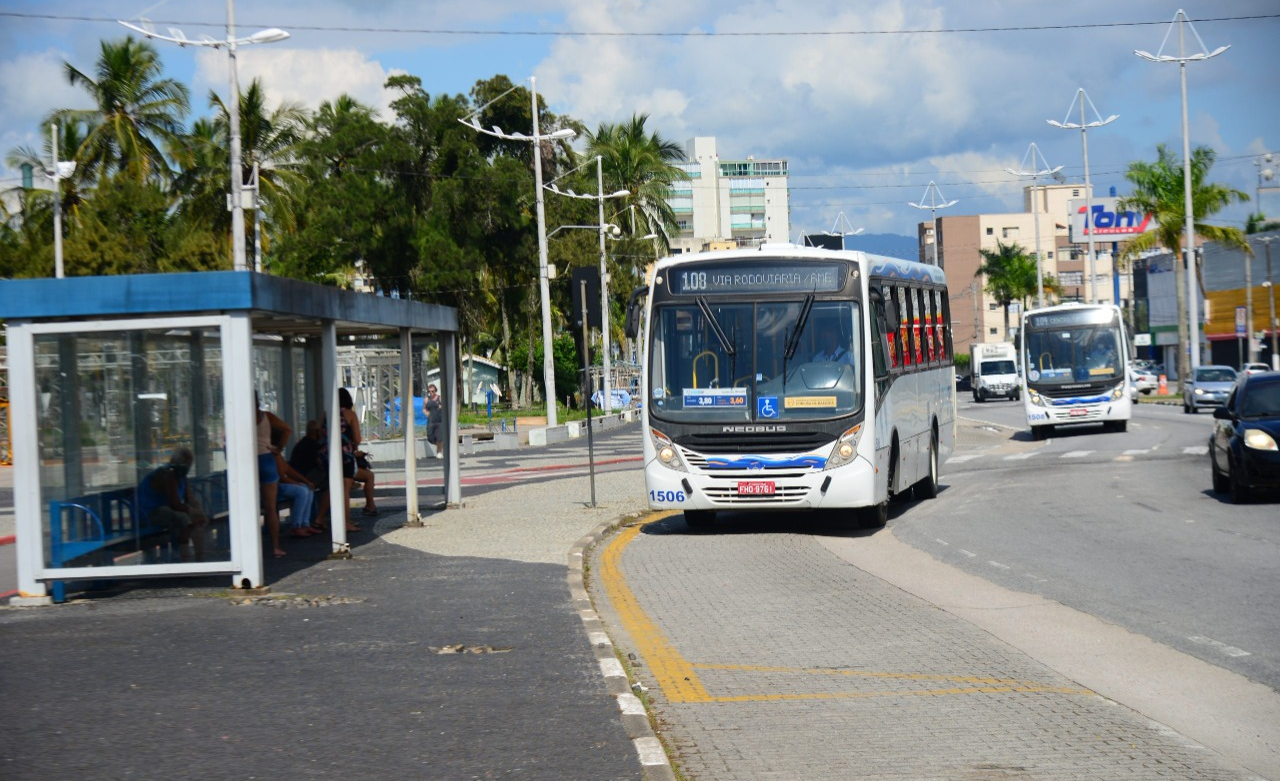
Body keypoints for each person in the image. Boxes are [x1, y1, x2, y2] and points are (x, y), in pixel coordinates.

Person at [135, 446, 207, 562]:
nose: (187, 467)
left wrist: (199, 512)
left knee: (193, 519)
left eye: (189, 464)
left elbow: (191, 499)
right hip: (148, 514)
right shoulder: (167, 474)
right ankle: (184, 560)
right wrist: (192, 511)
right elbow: (175, 504)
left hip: (166, 512)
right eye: (184, 463)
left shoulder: (182, 477)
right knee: (182, 518)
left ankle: (200, 559)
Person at [256, 393, 292, 558]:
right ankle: (276, 546)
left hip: (247, 462)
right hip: (266, 458)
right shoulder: (266, 416)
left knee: (249, 508)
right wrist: (278, 448)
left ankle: (250, 548)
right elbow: (286, 429)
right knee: (271, 507)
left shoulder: (238, 416)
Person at [273, 431, 318, 538]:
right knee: (302, 491)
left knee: (308, 489)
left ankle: (305, 523)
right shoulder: (272, 453)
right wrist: (297, 483)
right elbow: (281, 477)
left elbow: (288, 470)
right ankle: (296, 526)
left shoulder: (277, 453)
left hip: (281, 485)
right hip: (275, 487)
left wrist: (305, 481)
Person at [338, 388, 371, 532]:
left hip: (329, 457)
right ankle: (345, 522)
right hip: (345, 456)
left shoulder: (327, 414)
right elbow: (357, 438)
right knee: (345, 490)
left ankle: (321, 519)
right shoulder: (349, 415)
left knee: (332, 489)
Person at [289, 418, 330, 532]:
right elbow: (320, 464)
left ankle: (311, 521)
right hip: (305, 477)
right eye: (321, 430)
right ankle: (319, 518)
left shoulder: (302, 443)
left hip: (300, 475)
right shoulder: (314, 446)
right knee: (332, 484)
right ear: (316, 432)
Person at [425, 384, 444, 459]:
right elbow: (424, 408)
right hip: (431, 421)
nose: (431, 393)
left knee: (439, 437)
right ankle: (440, 446)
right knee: (430, 437)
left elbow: (445, 405)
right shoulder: (426, 399)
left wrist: (441, 407)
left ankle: (439, 452)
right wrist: (426, 413)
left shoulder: (439, 398)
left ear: (435, 391)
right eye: (429, 391)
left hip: (439, 421)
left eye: (432, 391)